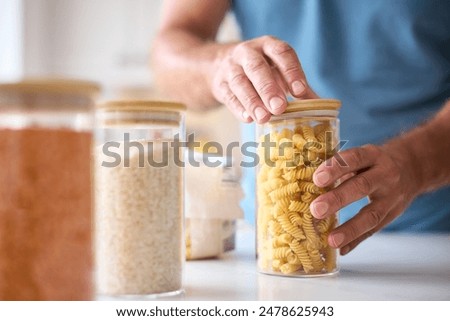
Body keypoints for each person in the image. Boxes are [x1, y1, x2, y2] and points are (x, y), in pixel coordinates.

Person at [151, 0, 450, 255]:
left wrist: (414, 164)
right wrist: (216, 65)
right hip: (276, 237)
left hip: (431, 236)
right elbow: (169, 49)